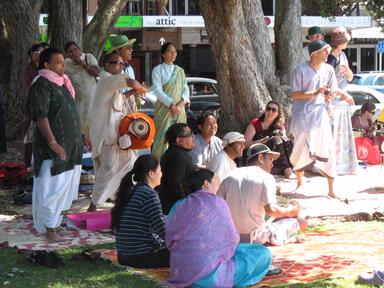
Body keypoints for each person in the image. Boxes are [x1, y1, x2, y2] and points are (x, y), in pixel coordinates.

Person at [165, 168, 272, 287]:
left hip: (181, 272)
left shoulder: (179, 204)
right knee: (263, 253)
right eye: (216, 181)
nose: (218, 184)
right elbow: (231, 239)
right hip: (211, 277)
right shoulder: (216, 202)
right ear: (206, 183)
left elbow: (169, 239)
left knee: (241, 249)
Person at [27, 48, 83, 242]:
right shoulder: (41, 84)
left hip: (70, 145)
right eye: (58, 62)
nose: (63, 65)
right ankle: (49, 229)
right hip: (52, 149)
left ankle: (56, 224)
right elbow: (40, 116)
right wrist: (52, 142)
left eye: (63, 61)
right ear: (46, 65)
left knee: (64, 187)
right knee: (52, 187)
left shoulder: (62, 84)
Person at [290, 40, 354, 198]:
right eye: (325, 51)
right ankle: (299, 183)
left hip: (321, 115)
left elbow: (333, 88)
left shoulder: (329, 69)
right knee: (300, 149)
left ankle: (331, 190)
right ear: (315, 53)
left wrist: (341, 95)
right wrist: (315, 92)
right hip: (302, 116)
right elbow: (295, 94)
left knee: (328, 149)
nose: (328, 54)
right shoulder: (300, 70)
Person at [88, 53, 147, 212]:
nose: (121, 67)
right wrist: (138, 87)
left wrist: (133, 92)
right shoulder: (106, 79)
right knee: (109, 168)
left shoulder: (111, 85)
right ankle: (93, 205)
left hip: (116, 136)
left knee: (129, 163)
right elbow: (129, 81)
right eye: (117, 63)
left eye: (123, 64)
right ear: (106, 65)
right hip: (106, 136)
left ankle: (120, 200)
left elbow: (119, 98)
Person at [219, 144, 307, 245]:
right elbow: (271, 210)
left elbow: (218, 206)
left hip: (231, 235)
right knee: (302, 219)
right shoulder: (266, 177)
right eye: (270, 159)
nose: (272, 165)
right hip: (256, 237)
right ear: (261, 158)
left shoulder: (230, 175)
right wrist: (290, 211)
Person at [111, 154, 170, 268]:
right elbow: (161, 229)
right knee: (186, 253)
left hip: (124, 256)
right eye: (160, 170)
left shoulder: (135, 191)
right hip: (137, 257)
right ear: (151, 173)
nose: (162, 174)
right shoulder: (148, 194)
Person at [326, 27, 358, 175]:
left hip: (343, 98)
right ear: (341, 42)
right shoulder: (331, 59)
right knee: (334, 133)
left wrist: (349, 73)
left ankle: (344, 163)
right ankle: (334, 164)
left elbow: (350, 77)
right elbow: (328, 81)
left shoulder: (343, 55)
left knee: (343, 132)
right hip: (334, 100)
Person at [151, 42, 190, 159]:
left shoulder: (180, 71)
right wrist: (171, 105)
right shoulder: (158, 70)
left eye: (175, 51)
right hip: (164, 110)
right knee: (162, 138)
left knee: (181, 136)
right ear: (163, 54)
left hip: (179, 110)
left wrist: (181, 103)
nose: (173, 54)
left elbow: (185, 89)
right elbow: (158, 91)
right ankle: (159, 164)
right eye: (170, 51)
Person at [244, 101, 295, 178]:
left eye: (273, 110)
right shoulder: (255, 123)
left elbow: (284, 142)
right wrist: (260, 141)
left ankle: (286, 168)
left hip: (275, 150)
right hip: (258, 151)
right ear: (265, 111)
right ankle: (286, 169)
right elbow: (244, 144)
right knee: (277, 140)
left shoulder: (279, 126)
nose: (270, 112)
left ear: (278, 114)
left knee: (284, 141)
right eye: (268, 109)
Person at [64, 41, 99, 139]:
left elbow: (96, 73)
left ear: (79, 49)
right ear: (67, 54)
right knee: (80, 128)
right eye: (70, 52)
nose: (74, 53)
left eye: (75, 49)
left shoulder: (88, 57)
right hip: (78, 103)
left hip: (92, 100)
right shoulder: (65, 63)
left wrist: (82, 63)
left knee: (93, 126)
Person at [158, 123, 195, 214]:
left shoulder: (178, 153)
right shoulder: (176, 156)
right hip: (175, 209)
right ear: (179, 140)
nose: (193, 137)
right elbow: (175, 186)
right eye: (190, 134)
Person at [21, 43, 44, 168]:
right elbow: (29, 87)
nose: (38, 55)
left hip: (45, 106)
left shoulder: (47, 66)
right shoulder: (28, 69)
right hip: (31, 107)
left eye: (40, 52)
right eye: (35, 53)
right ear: (31, 55)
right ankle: (28, 167)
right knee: (30, 138)